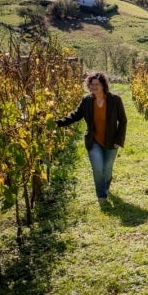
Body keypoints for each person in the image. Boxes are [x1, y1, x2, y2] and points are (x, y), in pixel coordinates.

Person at [55, 71, 127, 204]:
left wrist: (119, 140)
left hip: (111, 141)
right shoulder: (87, 100)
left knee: (107, 168)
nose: (94, 87)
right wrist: (57, 123)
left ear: (103, 85)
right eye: (91, 84)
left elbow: (123, 121)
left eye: (97, 84)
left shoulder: (115, 100)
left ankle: (106, 184)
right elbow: (75, 115)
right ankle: (101, 196)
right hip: (93, 141)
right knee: (98, 168)